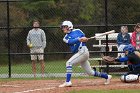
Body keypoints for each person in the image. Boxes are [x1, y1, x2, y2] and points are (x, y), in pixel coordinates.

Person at [59, 20, 112, 87]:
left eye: (64, 27)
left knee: (68, 63)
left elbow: (83, 37)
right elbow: (71, 42)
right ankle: (107, 76)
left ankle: (68, 82)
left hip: (83, 51)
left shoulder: (78, 30)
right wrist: (79, 39)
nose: (63, 28)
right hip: (79, 53)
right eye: (63, 27)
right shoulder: (65, 38)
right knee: (90, 72)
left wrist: (84, 39)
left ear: (69, 27)